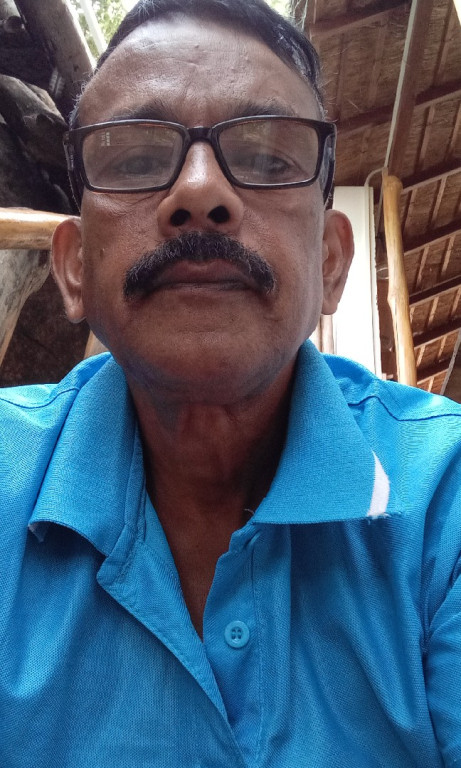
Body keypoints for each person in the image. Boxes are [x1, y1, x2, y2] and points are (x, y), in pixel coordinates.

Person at [1, 0, 460, 765]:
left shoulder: (443, 500)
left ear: (330, 265)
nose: (199, 191)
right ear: (74, 268)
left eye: (268, 158)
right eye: (136, 159)